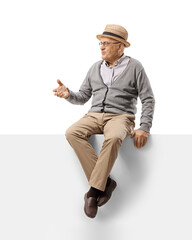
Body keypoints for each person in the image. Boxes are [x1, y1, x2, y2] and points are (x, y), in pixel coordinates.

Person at [53, 24, 155, 218]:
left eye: (106, 43)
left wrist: (144, 127)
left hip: (120, 116)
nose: (101, 47)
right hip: (94, 115)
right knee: (72, 132)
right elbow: (83, 96)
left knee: (115, 136)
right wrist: (68, 94)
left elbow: (148, 98)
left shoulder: (135, 67)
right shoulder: (95, 67)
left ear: (120, 46)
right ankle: (106, 183)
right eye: (101, 43)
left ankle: (93, 192)